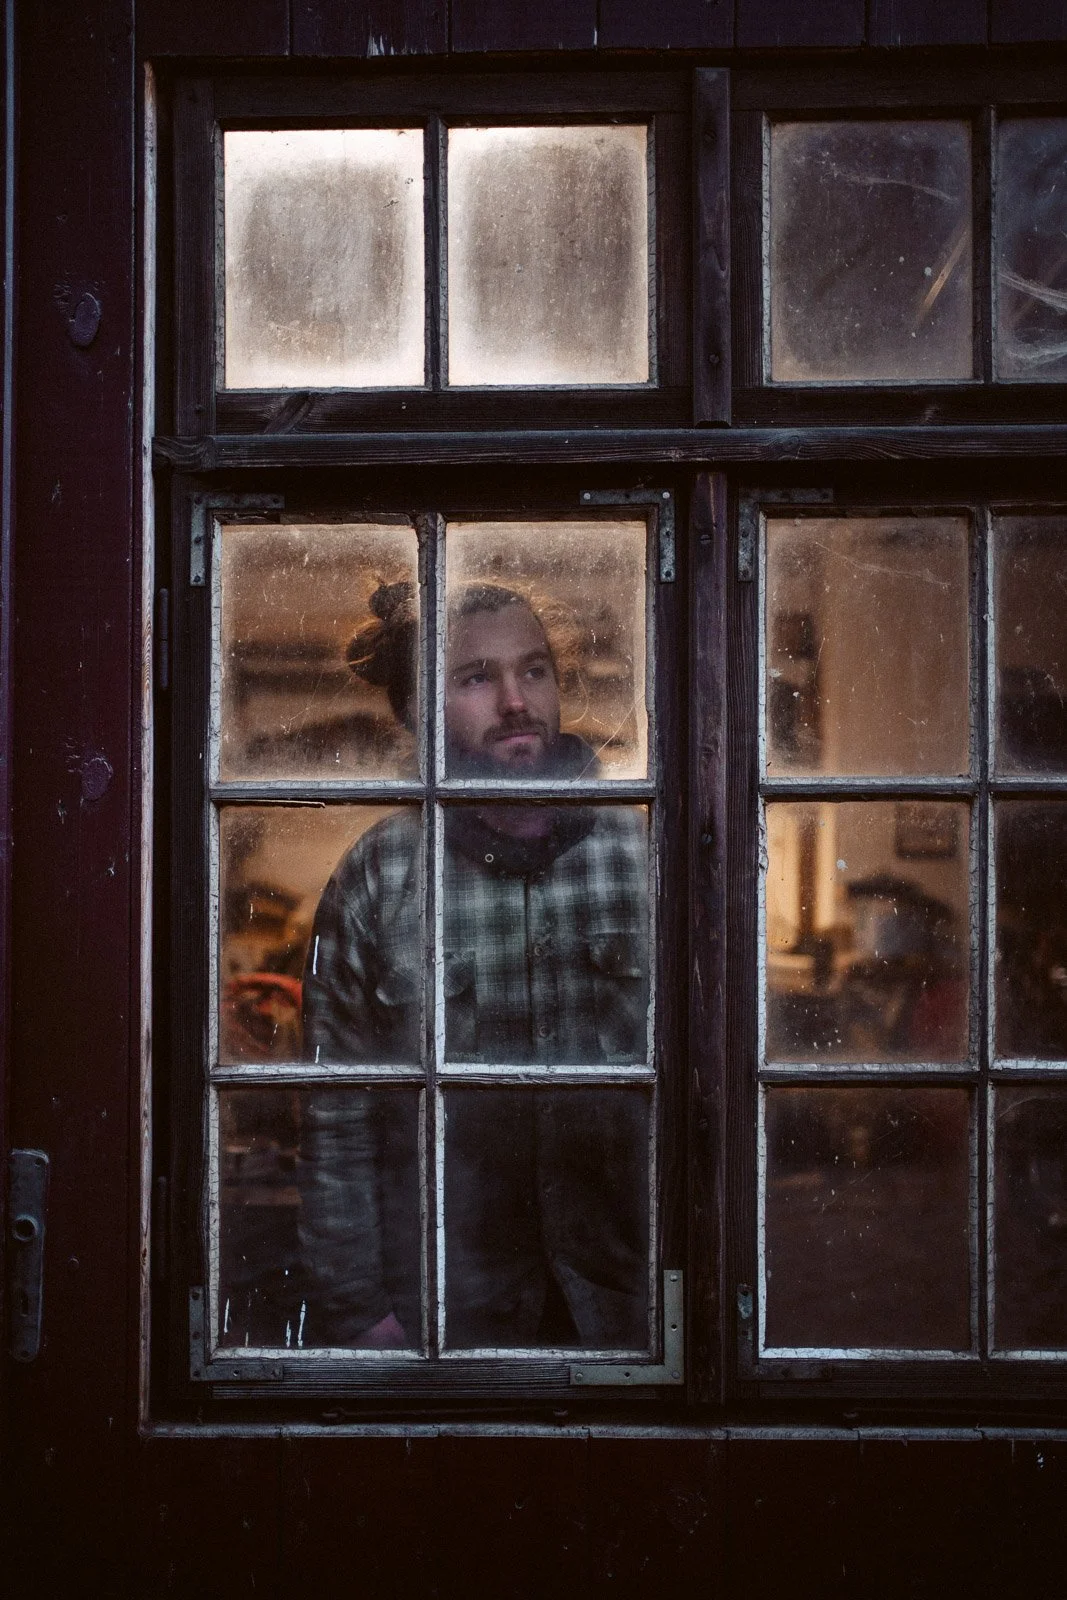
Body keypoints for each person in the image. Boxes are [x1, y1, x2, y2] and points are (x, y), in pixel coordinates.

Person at [299, 580, 650, 1351]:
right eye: (476, 678)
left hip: (631, 1311)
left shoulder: (645, 855)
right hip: (444, 1312)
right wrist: (360, 1315)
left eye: (534, 670)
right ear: (416, 710)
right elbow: (336, 1118)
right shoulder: (379, 876)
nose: (516, 702)